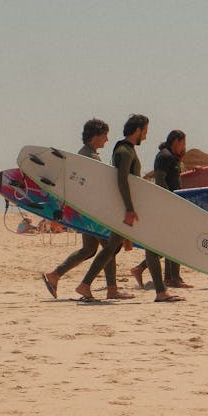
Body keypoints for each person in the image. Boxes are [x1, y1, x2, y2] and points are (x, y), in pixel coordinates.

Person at [75, 114, 185, 304]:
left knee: (110, 248)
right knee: (144, 245)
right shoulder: (124, 151)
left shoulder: (127, 149)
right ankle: (160, 292)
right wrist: (129, 208)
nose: (146, 136)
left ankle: (86, 284)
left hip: (128, 207)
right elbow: (122, 180)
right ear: (137, 130)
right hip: (128, 208)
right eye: (145, 132)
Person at [41, 119, 132, 300]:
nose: (107, 139)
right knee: (109, 246)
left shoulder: (82, 154)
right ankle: (111, 289)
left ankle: (54, 276)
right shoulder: (91, 158)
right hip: (93, 210)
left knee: (89, 249)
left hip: (84, 209)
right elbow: (97, 187)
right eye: (104, 135)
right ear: (95, 136)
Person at [130, 130, 192, 290]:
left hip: (172, 203)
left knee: (170, 242)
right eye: (183, 143)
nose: (184, 147)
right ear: (176, 141)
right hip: (168, 204)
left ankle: (167, 276)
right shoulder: (165, 156)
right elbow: (160, 181)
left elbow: (173, 179)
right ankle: (171, 278)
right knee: (174, 242)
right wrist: (168, 201)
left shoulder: (169, 157)